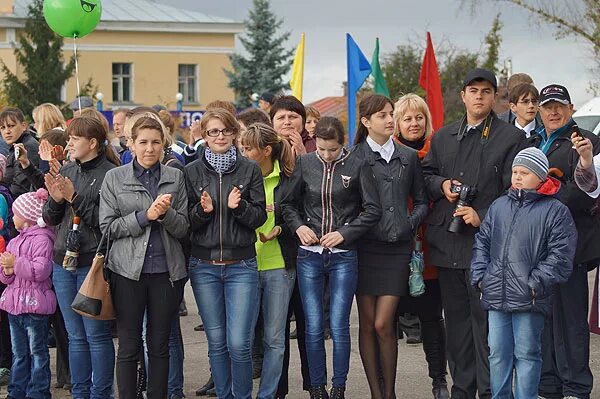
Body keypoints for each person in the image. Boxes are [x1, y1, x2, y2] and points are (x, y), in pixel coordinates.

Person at [422, 68, 527, 399]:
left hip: (488, 249)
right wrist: (442, 185)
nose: (479, 96)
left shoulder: (511, 139)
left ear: (495, 97)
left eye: (486, 91)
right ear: (463, 96)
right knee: (456, 327)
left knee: (487, 328)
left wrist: (481, 215)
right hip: (449, 245)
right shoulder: (442, 137)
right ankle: (462, 391)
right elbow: (425, 176)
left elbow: (517, 191)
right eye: (473, 90)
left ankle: (489, 391)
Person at [282, 116, 382, 399]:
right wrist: (299, 226)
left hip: (343, 256)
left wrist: (346, 233)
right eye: (322, 149)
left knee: (339, 324)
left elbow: (372, 210)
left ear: (343, 144)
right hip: (309, 256)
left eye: (333, 150)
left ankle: (339, 387)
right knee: (312, 325)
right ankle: (316, 387)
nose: (326, 155)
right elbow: (288, 204)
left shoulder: (358, 164)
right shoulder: (305, 163)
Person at [471, 147, 577, 399]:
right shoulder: (499, 206)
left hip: (529, 298)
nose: (517, 176)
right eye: (515, 171)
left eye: (525, 172)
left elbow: (561, 254)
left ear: (541, 176)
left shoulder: (555, 210)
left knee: (527, 353)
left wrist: (535, 283)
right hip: (496, 294)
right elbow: (481, 242)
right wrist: (481, 277)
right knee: (497, 352)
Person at [99, 115, 189, 399]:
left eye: (155, 142)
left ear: (164, 144)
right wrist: (144, 216)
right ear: (131, 144)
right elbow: (108, 227)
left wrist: (165, 214)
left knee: (160, 345)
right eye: (143, 142)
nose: (149, 148)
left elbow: (184, 227)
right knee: (128, 345)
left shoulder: (175, 177)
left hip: (166, 273)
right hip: (127, 272)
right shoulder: (114, 177)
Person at [184, 108, 267, 399]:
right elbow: (185, 223)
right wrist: (202, 212)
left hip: (241, 265)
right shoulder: (191, 171)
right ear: (204, 137)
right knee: (217, 342)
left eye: (225, 131)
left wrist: (239, 207)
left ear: (234, 133)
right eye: (212, 132)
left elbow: (259, 218)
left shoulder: (249, 169)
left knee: (239, 343)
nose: (220, 136)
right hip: (203, 266)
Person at [351, 94, 428, 399]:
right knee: (367, 325)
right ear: (366, 122)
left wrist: (409, 222)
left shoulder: (408, 156)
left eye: (389, 114)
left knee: (384, 323)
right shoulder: (353, 156)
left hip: (398, 249)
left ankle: (390, 393)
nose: (388, 119)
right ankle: (376, 393)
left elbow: (422, 200)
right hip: (364, 249)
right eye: (382, 115)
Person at [528, 84, 599, 399]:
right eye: (547, 107)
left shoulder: (587, 141)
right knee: (542, 319)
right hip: (535, 249)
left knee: (570, 322)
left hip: (570, 246)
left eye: (559, 106)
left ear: (570, 108)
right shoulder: (530, 143)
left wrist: (541, 204)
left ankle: (576, 387)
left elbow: (585, 191)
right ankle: (548, 385)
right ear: (540, 111)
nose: (553, 112)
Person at [42, 116, 120, 399]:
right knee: (74, 336)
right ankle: (81, 393)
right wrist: (56, 199)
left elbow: (105, 224)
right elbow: (50, 218)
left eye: (74, 139)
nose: (69, 143)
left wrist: (74, 197)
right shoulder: (67, 169)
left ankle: (101, 394)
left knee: (96, 336)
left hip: (93, 264)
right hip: (62, 262)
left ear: (93, 143)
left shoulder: (112, 173)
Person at [393, 93, 450, 399]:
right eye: (407, 118)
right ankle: (384, 383)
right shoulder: (387, 155)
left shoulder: (438, 153)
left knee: (431, 318)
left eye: (419, 118)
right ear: (397, 123)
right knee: (387, 322)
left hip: (430, 250)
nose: (414, 123)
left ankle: (439, 380)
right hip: (395, 252)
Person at [241, 122, 297, 399]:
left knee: (274, 339)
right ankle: (241, 392)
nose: (243, 152)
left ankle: (268, 394)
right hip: (245, 265)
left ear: (266, 151)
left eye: (248, 148)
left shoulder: (288, 178)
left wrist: (281, 229)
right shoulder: (240, 177)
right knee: (242, 339)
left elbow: (300, 215)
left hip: (278, 266)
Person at [0, 188, 56, 399]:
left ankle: (38, 392)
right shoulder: (14, 241)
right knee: (19, 353)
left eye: (15, 214)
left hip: (34, 306)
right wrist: (6, 270)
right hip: (14, 305)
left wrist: (16, 264)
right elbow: (7, 279)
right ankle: (17, 390)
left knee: (37, 352)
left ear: (27, 219)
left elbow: (41, 271)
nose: (11, 218)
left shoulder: (43, 240)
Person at [0, 107, 40, 199]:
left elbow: (21, 187)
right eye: (3, 127)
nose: (7, 131)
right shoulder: (16, 145)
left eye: (11, 126)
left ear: (24, 126)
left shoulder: (27, 147)